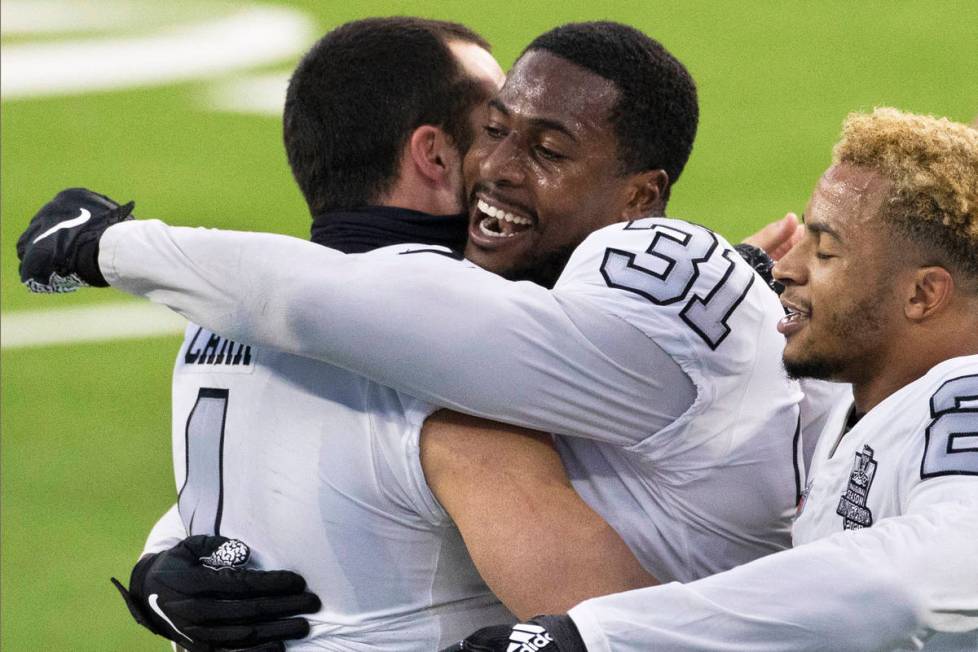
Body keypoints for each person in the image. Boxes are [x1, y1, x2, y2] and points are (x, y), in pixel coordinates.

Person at [19, 17, 806, 615]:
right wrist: (106, 246)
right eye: (490, 130)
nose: (497, 166)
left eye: (543, 147)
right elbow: (597, 620)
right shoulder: (452, 375)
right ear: (435, 154)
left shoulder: (216, 328)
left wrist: (167, 567)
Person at [446, 108, 978, 651]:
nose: (785, 268)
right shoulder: (864, 401)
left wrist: (594, 635)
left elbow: (917, 576)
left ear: (922, 294)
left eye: (825, 251)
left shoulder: (966, 398)